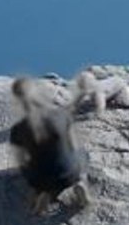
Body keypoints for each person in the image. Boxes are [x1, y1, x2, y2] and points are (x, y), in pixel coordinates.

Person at [10, 78, 89, 216]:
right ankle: (80, 182)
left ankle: (44, 193)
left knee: (35, 169)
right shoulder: (61, 114)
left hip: (40, 180)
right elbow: (73, 146)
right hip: (68, 173)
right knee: (82, 154)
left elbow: (21, 161)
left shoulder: (17, 130)